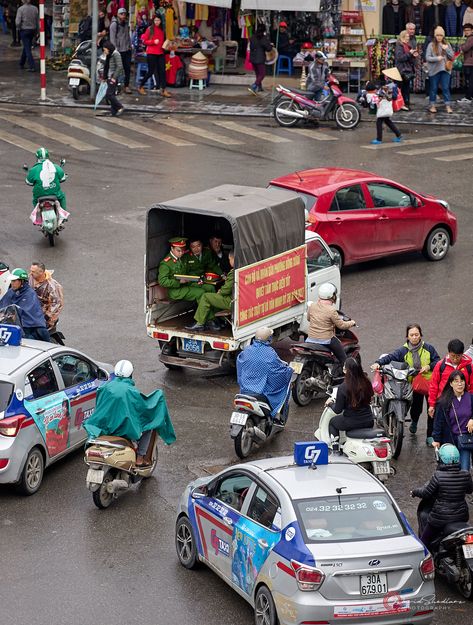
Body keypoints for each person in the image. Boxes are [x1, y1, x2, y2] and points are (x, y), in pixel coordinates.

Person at [83, 360, 176, 466]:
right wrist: (157, 398)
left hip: (103, 426)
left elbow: (99, 406)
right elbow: (144, 407)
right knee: (148, 427)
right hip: (124, 429)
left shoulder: (104, 388)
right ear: (131, 374)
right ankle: (140, 458)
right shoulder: (132, 392)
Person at [371, 324, 440, 441]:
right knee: (416, 408)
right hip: (414, 384)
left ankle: (430, 436)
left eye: (416, 334)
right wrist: (378, 362)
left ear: (420, 335)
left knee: (432, 409)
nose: (414, 337)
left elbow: (437, 361)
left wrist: (429, 366)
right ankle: (414, 422)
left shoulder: (429, 348)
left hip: (430, 384)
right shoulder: (403, 351)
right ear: (407, 337)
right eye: (411, 335)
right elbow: (390, 357)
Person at [411, 443, 472, 550]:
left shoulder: (438, 475)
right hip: (461, 516)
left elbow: (426, 493)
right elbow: (469, 490)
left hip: (440, 518)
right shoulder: (465, 474)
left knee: (424, 542)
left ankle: (425, 562)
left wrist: (415, 492)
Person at [237, 326, 293, 421]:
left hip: (246, 388)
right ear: (269, 339)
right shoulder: (270, 353)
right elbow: (277, 370)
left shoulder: (246, 350)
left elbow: (240, 365)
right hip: (262, 391)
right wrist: (289, 371)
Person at [306, 282, 355, 366]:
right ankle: (346, 371)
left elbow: (308, 318)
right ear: (331, 296)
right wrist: (351, 322)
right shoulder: (331, 310)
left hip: (310, 338)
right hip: (326, 340)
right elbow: (341, 325)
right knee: (343, 357)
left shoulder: (312, 306)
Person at [432, 371, 473, 471]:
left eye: (462, 381)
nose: (460, 384)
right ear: (451, 383)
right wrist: (436, 439)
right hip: (449, 442)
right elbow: (438, 421)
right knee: (451, 471)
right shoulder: (443, 401)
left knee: (464, 471)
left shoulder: (471, 398)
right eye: (456, 381)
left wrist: (472, 419)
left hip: (465, 441)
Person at [185, 249, 234, 332]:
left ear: (233, 259)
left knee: (205, 297)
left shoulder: (233, 272)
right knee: (211, 290)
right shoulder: (242, 268)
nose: (229, 261)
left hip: (231, 301)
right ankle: (217, 319)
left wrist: (221, 291)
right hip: (236, 299)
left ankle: (200, 323)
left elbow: (226, 289)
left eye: (230, 259)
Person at [325, 357, 374, 438]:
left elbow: (337, 410)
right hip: (369, 420)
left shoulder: (343, 387)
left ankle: (335, 449)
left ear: (346, 370)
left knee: (333, 422)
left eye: (344, 367)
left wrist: (330, 403)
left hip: (352, 422)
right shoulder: (366, 381)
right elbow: (371, 396)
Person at [158, 237, 214, 303]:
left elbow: (190, 271)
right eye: (178, 251)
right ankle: (203, 313)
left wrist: (197, 279)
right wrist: (178, 282)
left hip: (187, 284)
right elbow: (162, 281)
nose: (181, 253)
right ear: (172, 248)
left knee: (210, 288)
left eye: (183, 250)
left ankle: (214, 311)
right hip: (176, 291)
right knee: (201, 293)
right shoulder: (166, 263)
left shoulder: (182, 258)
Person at [0, 268, 49, 342]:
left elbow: (25, 313)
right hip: (10, 325)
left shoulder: (30, 294)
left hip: (29, 328)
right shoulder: (11, 292)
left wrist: (13, 314)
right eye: (11, 281)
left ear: (22, 281)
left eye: (14, 281)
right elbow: (3, 305)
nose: (12, 283)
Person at [138, 15, 171, 98]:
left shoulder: (162, 30)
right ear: (153, 21)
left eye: (158, 20)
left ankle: (163, 89)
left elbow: (163, 42)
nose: (157, 22)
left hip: (160, 53)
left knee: (162, 72)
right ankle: (141, 86)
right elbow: (144, 41)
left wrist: (167, 45)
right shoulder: (150, 29)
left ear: (161, 21)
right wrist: (153, 41)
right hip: (151, 53)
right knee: (151, 71)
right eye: (155, 20)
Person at [28, 262, 64, 335]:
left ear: (41, 272)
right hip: (30, 315)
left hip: (44, 318)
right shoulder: (30, 278)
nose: (31, 273)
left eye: (33, 272)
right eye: (31, 271)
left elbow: (56, 304)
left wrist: (46, 317)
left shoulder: (53, 286)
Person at [425, 25, 454, 113]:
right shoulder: (431, 45)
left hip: (445, 70)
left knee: (445, 88)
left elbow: (452, 56)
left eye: (441, 35)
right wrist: (437, 58)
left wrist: (447, 49)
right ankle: (432, 105)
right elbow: (427, 57)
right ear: (435, 35)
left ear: (443, 36)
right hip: (434, 70)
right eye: (437, 35)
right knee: (433, 88)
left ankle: (448, 106)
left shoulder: (447, 44)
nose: (439, 37)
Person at [370, 73, 403, 145]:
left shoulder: (391, 85)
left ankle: (379, 139)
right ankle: (399, 135)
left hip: (385, 106)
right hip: (386, 106)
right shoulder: (392, 85)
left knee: (379, 121)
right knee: (387, 121)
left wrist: (382, 94)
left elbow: (393, 97)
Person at [109, 7, 132, 94]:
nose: (123, 16)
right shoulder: (114, 25)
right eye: (121, 14)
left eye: (124, 14)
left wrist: (130, 45)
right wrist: (115, 49)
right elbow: (112, 39)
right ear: (118, 15)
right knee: (118, 68)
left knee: (127, 68)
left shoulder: (126, 24)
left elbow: (127, 36)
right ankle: (115, 86)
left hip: (126, 49)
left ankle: (126, 86)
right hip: (118, 50)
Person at [395, 29, 418, 110]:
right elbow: (400, 58)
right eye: (407, 37)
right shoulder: (399, 46)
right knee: (402, 88)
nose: (408, 38)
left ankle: (406, 103)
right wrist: (409, 53)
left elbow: (408, 57)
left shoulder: (407, 45)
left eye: (408, 37)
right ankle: (402, 104)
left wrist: (413, 55)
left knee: (406, 88)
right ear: (402, 37)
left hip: (407, 70)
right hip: (402, 70)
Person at [101, 40, 125, 117]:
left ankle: (120, 107)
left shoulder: (115, 54)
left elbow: (119, 66)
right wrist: (104, 77)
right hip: (109, 77)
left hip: (113, 77)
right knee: (111, 94)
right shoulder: (109, 55)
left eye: (105, 50)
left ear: (108, 48)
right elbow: (106, 66)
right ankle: (114, 112)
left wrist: (114, 77)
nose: (104, 52)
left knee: (109, 94)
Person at [248, 23, 273, 94]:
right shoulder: (263, 38)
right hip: (260, 58)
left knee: (258, 74)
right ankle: (254, 86)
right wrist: (270, 45)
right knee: (262, 74)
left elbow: (251, 47)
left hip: (253, 58)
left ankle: (259, 87)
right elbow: (268, 49)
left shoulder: (252, 37)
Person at [15, 0, 38, 72]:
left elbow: (17, 22)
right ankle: (21, 63)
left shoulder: (20, 9)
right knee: (26, 46)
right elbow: (37, 20)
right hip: (33, 29)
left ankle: (32, 66)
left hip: (24, 29)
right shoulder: (35, 8)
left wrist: (18, 27)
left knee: (27, 48)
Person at [459, 23, 473, 102]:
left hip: (469, 62)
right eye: (465, 30)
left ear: (472, 30)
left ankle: (468, 97)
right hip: (469, 62)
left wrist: (461, 46)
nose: (466, 32)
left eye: (468, 30)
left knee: (469, 81)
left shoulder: (471, 38)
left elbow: (465, 48)